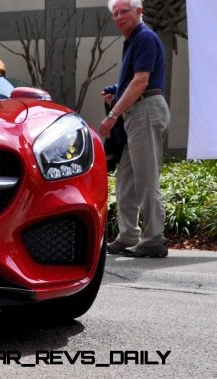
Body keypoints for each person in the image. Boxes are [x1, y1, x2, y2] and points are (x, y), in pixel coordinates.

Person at [98, 0, 170, 258]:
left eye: (123, 11)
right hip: (137, 112)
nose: (118, 17)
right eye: (115, 13)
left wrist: (113, 114)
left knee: (146, 178)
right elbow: (135, 81)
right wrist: (116, 93)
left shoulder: (145, 38)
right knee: (125, 178)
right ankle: (128, 234)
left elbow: (141, 81)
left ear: (139, 11)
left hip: (146, 110)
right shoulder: (132, 40)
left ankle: (154, 239)